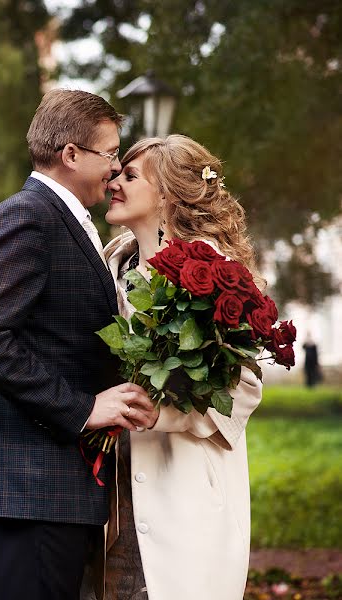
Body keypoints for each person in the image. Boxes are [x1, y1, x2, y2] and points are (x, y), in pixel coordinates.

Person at [0, 89, 158, 600]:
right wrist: (83, 408)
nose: (115, 168)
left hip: (56, 489)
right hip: (32, 489)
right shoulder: (28, 216)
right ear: (71, 154)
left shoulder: (67, 219)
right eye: (110, 154)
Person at [101, 135, 264, 600]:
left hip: (186, 482)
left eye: (130, 176)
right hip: (112, 487)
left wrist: (162, 414)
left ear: (168, 193)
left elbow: (245, 387)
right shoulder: (108, 261)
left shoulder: (216, 270)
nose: (115, 180)